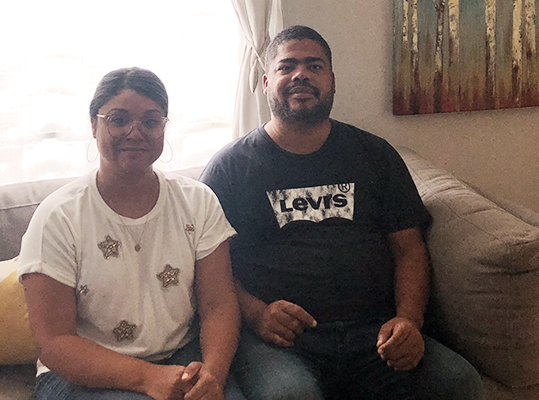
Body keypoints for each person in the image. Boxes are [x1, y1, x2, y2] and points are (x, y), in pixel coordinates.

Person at [200, 26, 486, 400]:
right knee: (291, 397)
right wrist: (257, 314)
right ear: (267, 82)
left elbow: (409, 249)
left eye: (314, 66)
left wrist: (409, 321)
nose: (300, 74)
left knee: (459, 383)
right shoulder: (229, 168)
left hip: (374, 331)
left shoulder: (374, 154)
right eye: (287, 67)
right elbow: (209, 272)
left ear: (332, 81)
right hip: (281, 341)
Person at [18, 67, 245, 400]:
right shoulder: (59, 216)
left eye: (151, 121)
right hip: (81, 371)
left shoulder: (198, 201)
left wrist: (212, 375)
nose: (135, 132)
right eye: (119, 119)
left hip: (180, 356)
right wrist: (148, 378)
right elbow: (53, 343)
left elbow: (218, 304)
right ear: (94, 125)